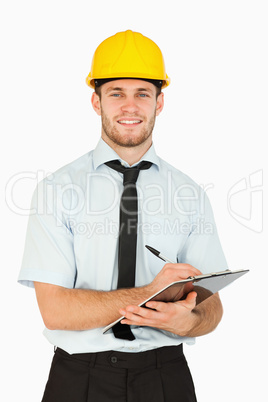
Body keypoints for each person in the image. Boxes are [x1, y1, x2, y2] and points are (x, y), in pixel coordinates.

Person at [18, 30, 227, 402]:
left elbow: (211, 303)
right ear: (96, 102)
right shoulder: (56, 190)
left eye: (142, 94)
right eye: (116, 93)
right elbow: (55, 311)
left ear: (159, 102)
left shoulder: (189, 194)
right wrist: (149, 294)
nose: (130, 107)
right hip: (79, 378)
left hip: (166, 377)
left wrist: (190, 321)